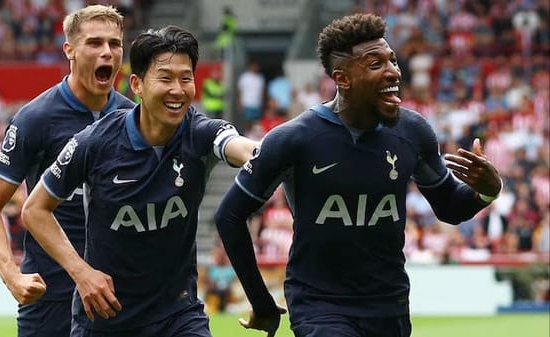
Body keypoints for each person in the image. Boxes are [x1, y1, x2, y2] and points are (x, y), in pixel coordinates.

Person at [214, 13, 503, 337]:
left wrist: (486, 192)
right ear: (343, 78)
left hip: (389, 306)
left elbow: (450, 206)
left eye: (392, 60)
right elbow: (229, 215)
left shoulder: (413, 131)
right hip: (320, 306)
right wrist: (261, 300)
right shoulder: (294, 139)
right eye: (375, 63)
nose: (394, 71)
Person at [20, 25, 261, 337]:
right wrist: (81, 272)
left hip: (178, 316)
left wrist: (273, 154)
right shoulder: (94, 143)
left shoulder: (201, 133)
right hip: (105, 320)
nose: (178, 89)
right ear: (137, 84)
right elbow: (34, 210)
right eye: (165, 78)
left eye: (185, 78)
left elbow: (241, 147)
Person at [0, 5, 134, 337]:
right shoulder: (36, 119)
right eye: (94, 43)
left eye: (114, 44)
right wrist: (11, 275)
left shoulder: (133, 119)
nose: (107, 52)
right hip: (52, 297)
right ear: (69, 50)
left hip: (119, 295)